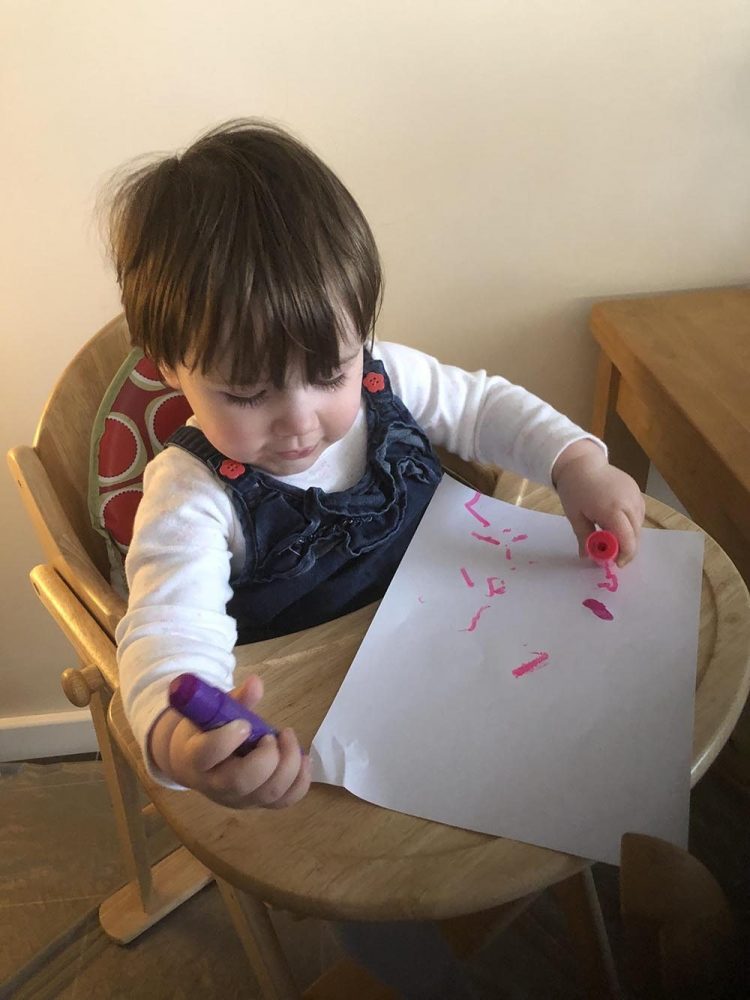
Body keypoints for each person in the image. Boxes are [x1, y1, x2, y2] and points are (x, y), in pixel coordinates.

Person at [108, 119, 644, 997]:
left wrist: (575, 461)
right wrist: (178, 736)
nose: (302, 419)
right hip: (335, 728)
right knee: (370, 891)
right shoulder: (191, 495)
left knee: (584, 759)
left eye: (328, 370)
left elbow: (485, 407)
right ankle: (427, 977)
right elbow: (168, 625)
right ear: (172, 367)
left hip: (466, 640)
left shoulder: (386, 374)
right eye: (246, 392)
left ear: (361, 329)